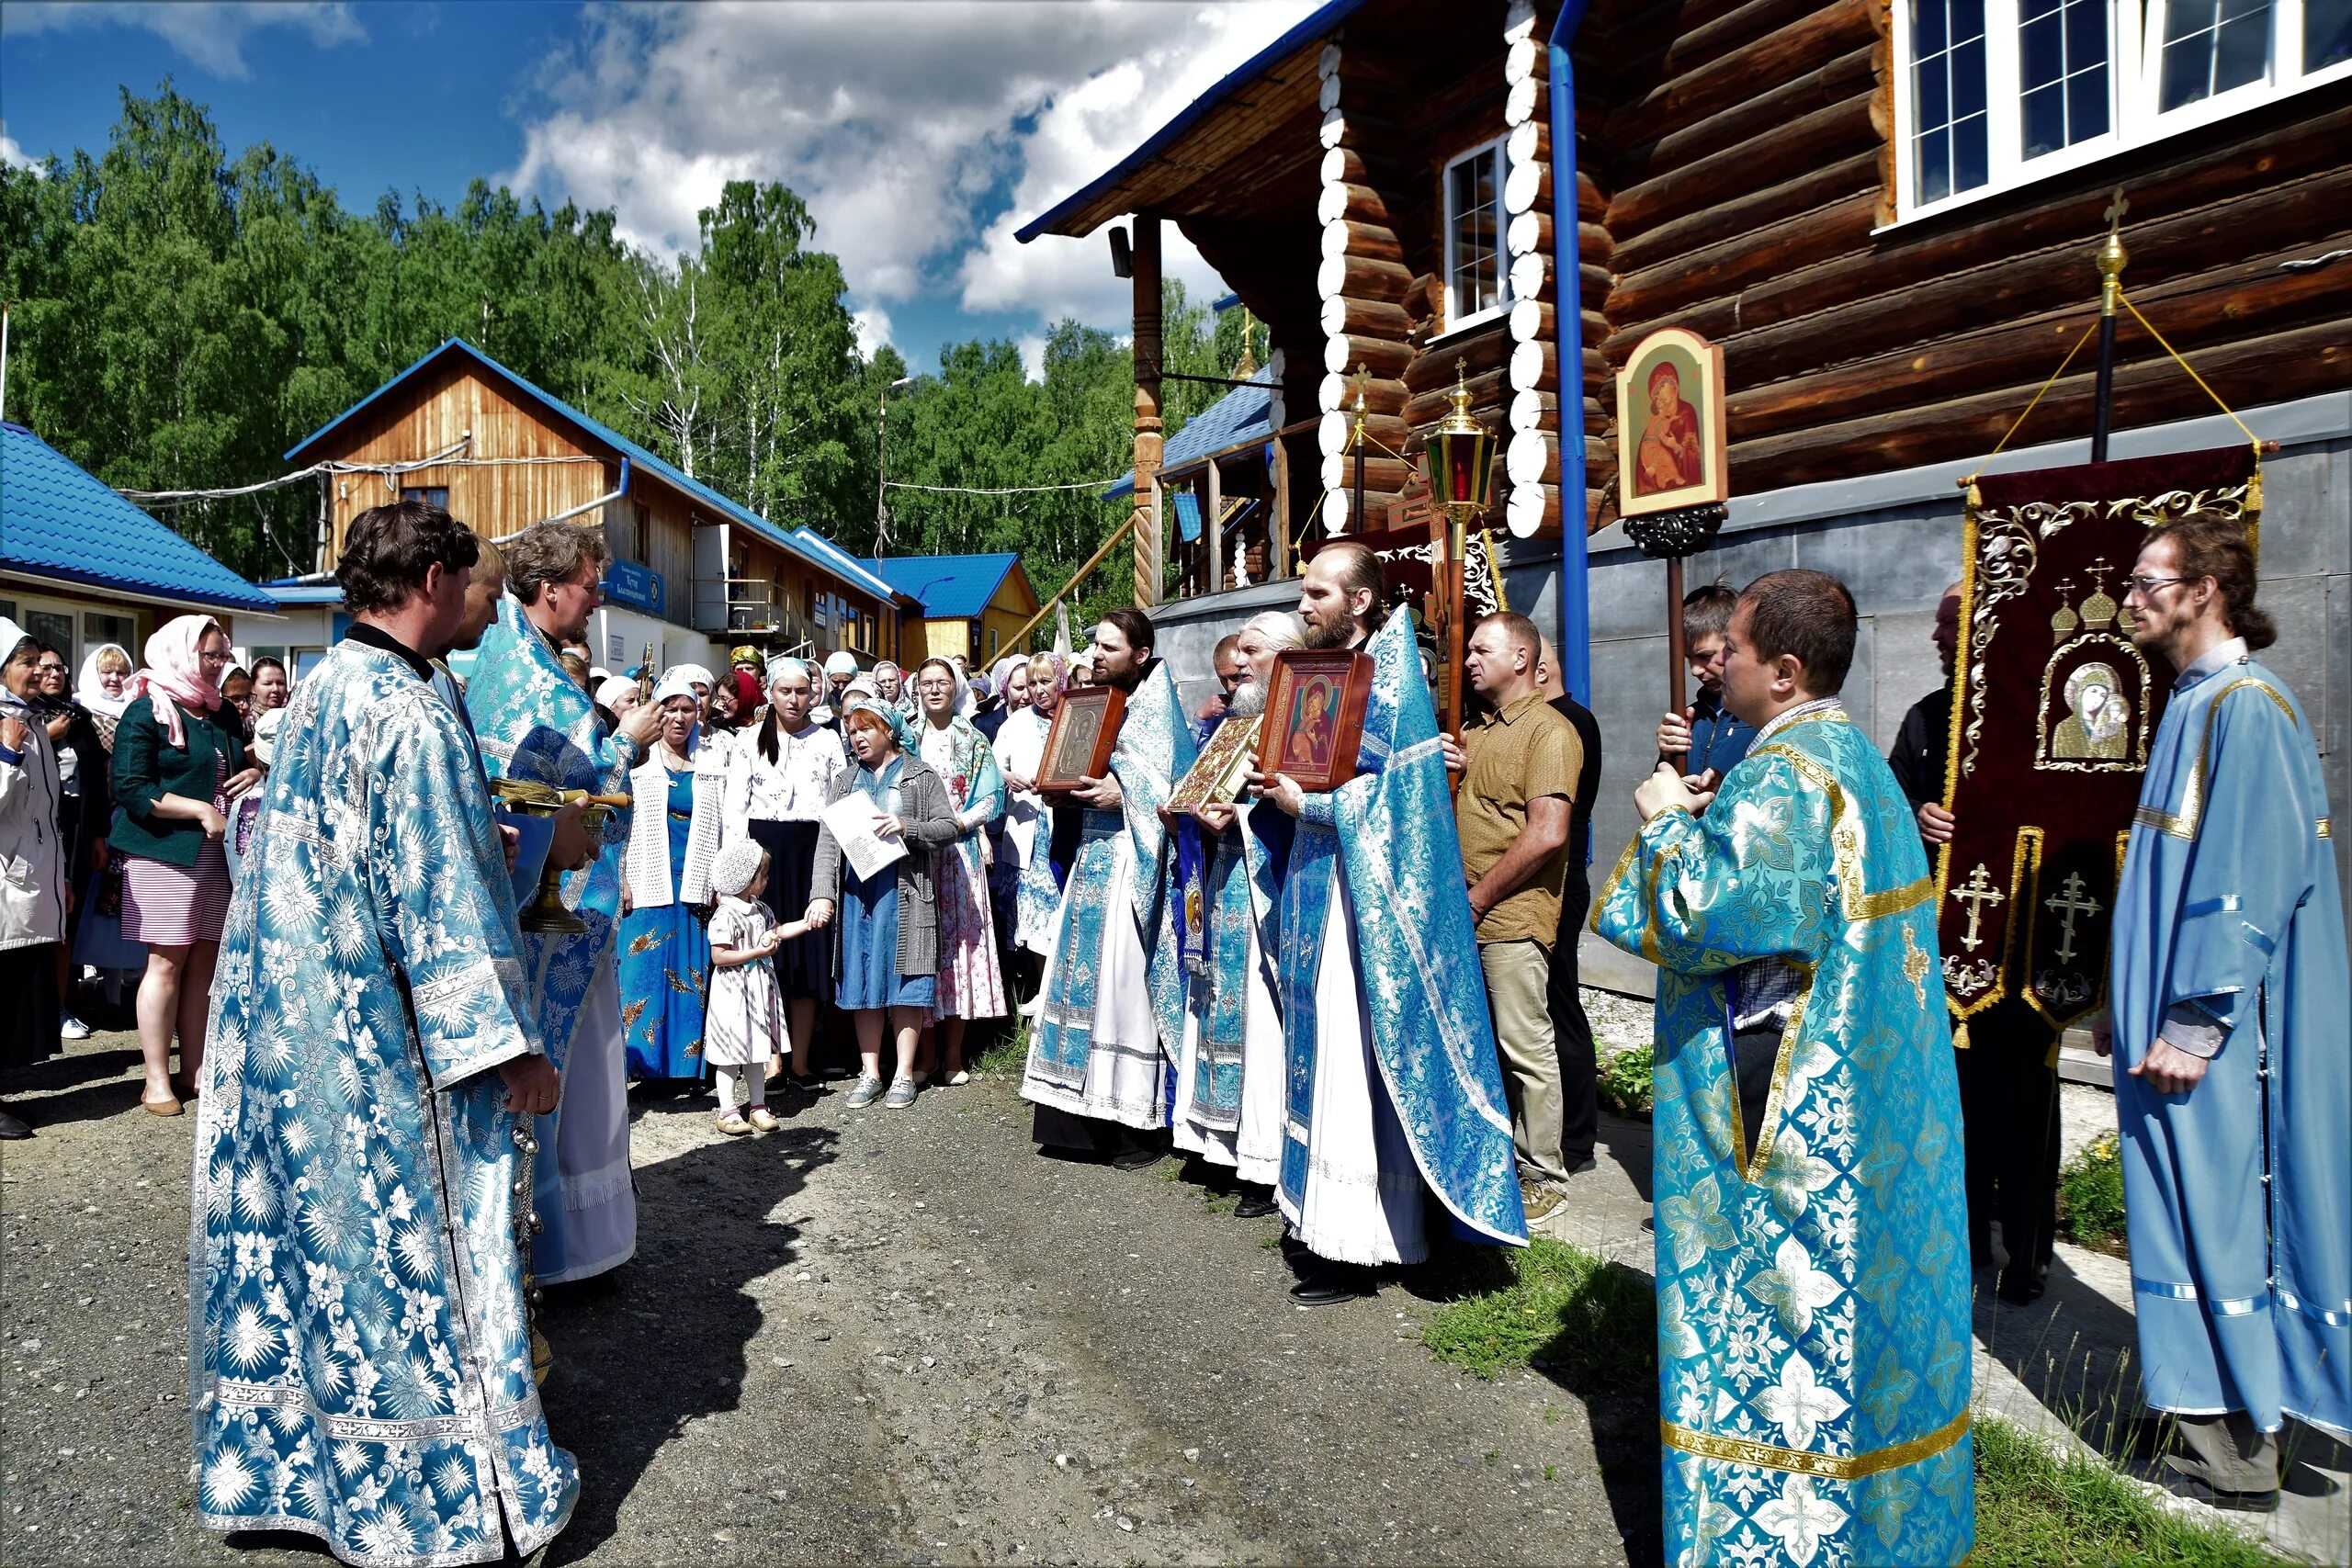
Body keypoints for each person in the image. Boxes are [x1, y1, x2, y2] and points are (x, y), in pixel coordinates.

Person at [192, 496, 579, 1564]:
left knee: (324, 1259)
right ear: (432, 584)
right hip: (389, 1043)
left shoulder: (328, 687)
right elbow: (442, 903)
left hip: (296, 1024)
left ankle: (315, 1480)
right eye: (470, 587)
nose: (477, 608)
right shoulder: (407, 712)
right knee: (422, 1260)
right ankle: (447, 1498)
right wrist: (514, 1051)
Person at [1593, 569, 1974, 1566]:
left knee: (1772, 1307)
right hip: (1859, 1091)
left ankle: (1769, 1532)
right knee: (1853, 1306)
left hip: (1779, 1099)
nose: (1719, 671)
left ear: (1788, 670)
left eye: (1739, 652)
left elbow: (1698, 917)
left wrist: (1667, 816)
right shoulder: (1852, 754)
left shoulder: (1783, 771)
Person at [2098, 512, 2347, 1510]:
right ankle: (2195, 1405)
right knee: (2177, 1209)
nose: (2131, 597)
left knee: (2218, 1211)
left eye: (2150, 580)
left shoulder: (2246, 706)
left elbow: (2244, 884)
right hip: (2181, 1026)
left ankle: (2237, 1444)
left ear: (2205, 589)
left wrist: (2191, 1025)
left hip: (2220, 1042)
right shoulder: (2197, 702)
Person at [1250, 543, 1528, 1303]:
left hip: (1364, 896)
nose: (1304, 606)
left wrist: (1305, 802)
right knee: (1317, 1043)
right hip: (1319, 878)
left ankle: (1358, 1238)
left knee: (1349, 1049)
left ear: (1361, 601)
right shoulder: (1318, 673)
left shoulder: (1394, 676)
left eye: (1316, 594)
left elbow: (1396, 802)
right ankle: (1320, 1218)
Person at [467, 519, 663, 1285]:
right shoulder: (530, 678)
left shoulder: (520, 658)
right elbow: (576, 789)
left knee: (583, 1073)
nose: (595, 603)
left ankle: (574, 1241)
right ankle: (555, 1246)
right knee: (566, 1076)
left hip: (559, 900)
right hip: (550, 906)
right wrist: (627, 737)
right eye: (589, 588)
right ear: (550, 588)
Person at [1887, 582, 2060, 1303]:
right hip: (1946, 945)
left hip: (2022, 949)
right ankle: (1965, 1241)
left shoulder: (2042, 715)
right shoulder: (1928, 718)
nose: (1935, 636)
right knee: (1956, 1102)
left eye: (1950, 624)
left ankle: (2028, 1254)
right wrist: (1916, 812)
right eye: (1934, 623)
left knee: (2025, 1102)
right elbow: (1891, 803)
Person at [1021, 609, 1196, 1166]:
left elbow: (1173, 787)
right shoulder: (1094, 702)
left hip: (1131, 863)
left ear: (1140, 655)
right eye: (1095, 646)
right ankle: (1071, 1120)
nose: (1096, 656)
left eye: (1110, 648)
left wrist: (1127, 799)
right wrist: (1060, 793)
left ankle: (1129, 1126)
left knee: (1122, 989)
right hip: (1093, 859)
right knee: (1076, 983)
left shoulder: (1154, 708)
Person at [1444, 612, 1578, 1223]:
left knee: (1523, 1043)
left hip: (1512, 913)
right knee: (1484, 1044)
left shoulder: (1549, 732)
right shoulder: (1478, 729)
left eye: (1482, 649)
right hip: (1469, 909)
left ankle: (1544, 1173)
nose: (1469, 658)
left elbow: (1547, 833)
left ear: (1522, 658)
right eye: (1468, 649)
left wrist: (1479, 897)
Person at [1172, 610, 1301, 1216]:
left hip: (1266, 886)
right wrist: (1187, 807)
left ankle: (1263, 1159)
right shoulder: (1232, 719)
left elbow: (1294, 806)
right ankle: (1224, 1145)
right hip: (1221, 881)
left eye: (1251, 652)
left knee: (1261, 1017)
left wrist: (1244, 814)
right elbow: (1199, 789)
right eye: (1239, 654)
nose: (1239, 664)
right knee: (1219, 1006)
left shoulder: (1299, 718)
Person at [110, 615, 253, 1117]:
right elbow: (128, 787)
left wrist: (254, 769)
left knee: (205, 965)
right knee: (167, 963)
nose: (218, 666)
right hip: (163, 851)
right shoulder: (147, 709)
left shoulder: (221, 714)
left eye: (222, 656)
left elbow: (236, 768)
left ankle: (195, 1067)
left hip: (218, 854)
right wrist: (196, 809)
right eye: (209, 656)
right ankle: (154, 1078)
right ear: (182, 652)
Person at [808, 699, 959, 1110]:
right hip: (859, 895)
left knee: (906, 982)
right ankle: (870, 1073)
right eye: (851, 731)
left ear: (889, 730)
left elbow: (948, 828)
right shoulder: (844, 780)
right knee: (861, 979)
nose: (857, 738)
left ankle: (904, 1075)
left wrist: (907, 827)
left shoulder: (920, 775)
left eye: (866, 729)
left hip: (905, 891)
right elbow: (827, 841)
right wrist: (822, 892)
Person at [725, 657, 844, 1090]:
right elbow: (735, 809)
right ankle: (772, 1060)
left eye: (801, 691)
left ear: (813, 693)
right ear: (771, 694)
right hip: (764, 853)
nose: (794, 700)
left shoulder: (829, 741)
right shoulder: (748, 740)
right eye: (785, 691)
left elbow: (836, 806)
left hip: (811, 849)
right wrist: (742, 873)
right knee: (768, 953)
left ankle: (801, 1062)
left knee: (807, 955)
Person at [617, 673, 728, 1086]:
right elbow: (620, 827)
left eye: (688, 709)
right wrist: (623, 877)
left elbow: (724, 828)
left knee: (689, 976)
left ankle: (684, 1071)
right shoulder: (637, 764)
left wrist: (721, 881)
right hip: (649, 879)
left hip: (695, 882)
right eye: (671, 709)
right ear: (657, 711)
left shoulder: (712, 765)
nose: (679, 718)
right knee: (643, 975)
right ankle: (642, 1068)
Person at [911, 657, 1006, 1085]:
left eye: (942, 682)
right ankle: (924, 1054)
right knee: (921, 949)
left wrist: (957, 826)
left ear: (956, 688)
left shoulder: (973, 739)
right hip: (916, 854)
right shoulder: (906, 737)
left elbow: (991, 796)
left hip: (959, 855)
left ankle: (953, 1055)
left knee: (959, 952)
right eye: (926, 682)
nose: (934, 690)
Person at [1532, 636, 1603, 1175]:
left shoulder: (1566, 724)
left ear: (1538, 669)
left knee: (1559, 1002)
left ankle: (1577, 1138)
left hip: (1559, 881)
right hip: (1546, 881)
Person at [0, 622, 67, 1140]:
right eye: (25, 663)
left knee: (17, 990)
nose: (36, 672)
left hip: (32, 875)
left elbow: (46, 813)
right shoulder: (9, 728)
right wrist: (6, 755)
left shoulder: (30, 723)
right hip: (5, 878)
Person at [705, 840, 810, 1136]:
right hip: (734, 992)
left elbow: (777, 930)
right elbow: (720, 956)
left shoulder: (760, 909)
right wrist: (756, 953)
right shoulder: (725, 915)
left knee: (757, 1049)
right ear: (746, 879)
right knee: (730, 1053)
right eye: (763, 876)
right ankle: (727, 1110)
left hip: (758, 989)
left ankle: (758, 1106)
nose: (767, 881)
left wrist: (806, 923)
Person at [31, 646, 109, 1040]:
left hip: (77, 825)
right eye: (44, 667)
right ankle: (36, 1007)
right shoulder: (21, 716)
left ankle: (62, 1003)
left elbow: (96, 778)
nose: (54, 673)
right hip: (36, 825)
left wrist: (97, 833)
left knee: (68, 916)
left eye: (59, 667)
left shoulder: (79, 718)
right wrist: (46, 735)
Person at [68, 643, 141, 1008]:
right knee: (92, 900)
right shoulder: (81, 710)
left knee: (122, 903)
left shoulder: (139, 709)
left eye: (121, 671)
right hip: (96, 816)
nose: (115, 679)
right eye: (107, 672)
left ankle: (120, 987)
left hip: (128, 817)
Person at [994, 650, 1065, 1002]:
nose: (1038, 690)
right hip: (1028, 828)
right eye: (1032, 683)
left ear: (1061, 680)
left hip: (1067, 823)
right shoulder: (1015, 724)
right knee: (1036, 911)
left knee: (1064, 907)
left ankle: (1063, 986)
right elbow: (991, 772)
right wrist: (1009, 778)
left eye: (1045, 681)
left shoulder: (1075, 715)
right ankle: (1043, 988)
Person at [1654, 583, 1754, 778]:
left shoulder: (1764, 717)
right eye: (1689, 658)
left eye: (1705, 656)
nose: (1695, 670)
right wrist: (1667, 757)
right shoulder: (1693, 718)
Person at [1634, 358, 1704, 494]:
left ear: (1674, 386)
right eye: (1655, 394)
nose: (1658, 395)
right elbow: (1643, 474)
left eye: (1660, 387)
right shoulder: (1655, 423)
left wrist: (1676, 448)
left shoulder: (1687, 413)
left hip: (1688, 493)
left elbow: (1695, 455)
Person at [1194, 633, 1246, 737]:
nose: (1230, 687)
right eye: (1223, 679)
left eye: (1235, 677)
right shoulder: (1220, 714)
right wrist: (1199, 719)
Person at [218, 665, 256, 739]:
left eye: (248, 697)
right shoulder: (210, 734)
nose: (246, 706)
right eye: (236, 698)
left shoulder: (251, 730)